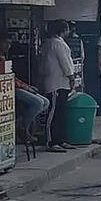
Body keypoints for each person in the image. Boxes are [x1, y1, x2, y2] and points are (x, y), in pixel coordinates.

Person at [40, 21, 76, 152]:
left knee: (61, 114)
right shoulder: (57, 44)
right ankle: (51, 141)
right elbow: (65, 63)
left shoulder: (52, 43)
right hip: (56, 83)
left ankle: (60, 140)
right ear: (64, 30)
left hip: (60, 83)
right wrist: (71, 77)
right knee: (54, 113)